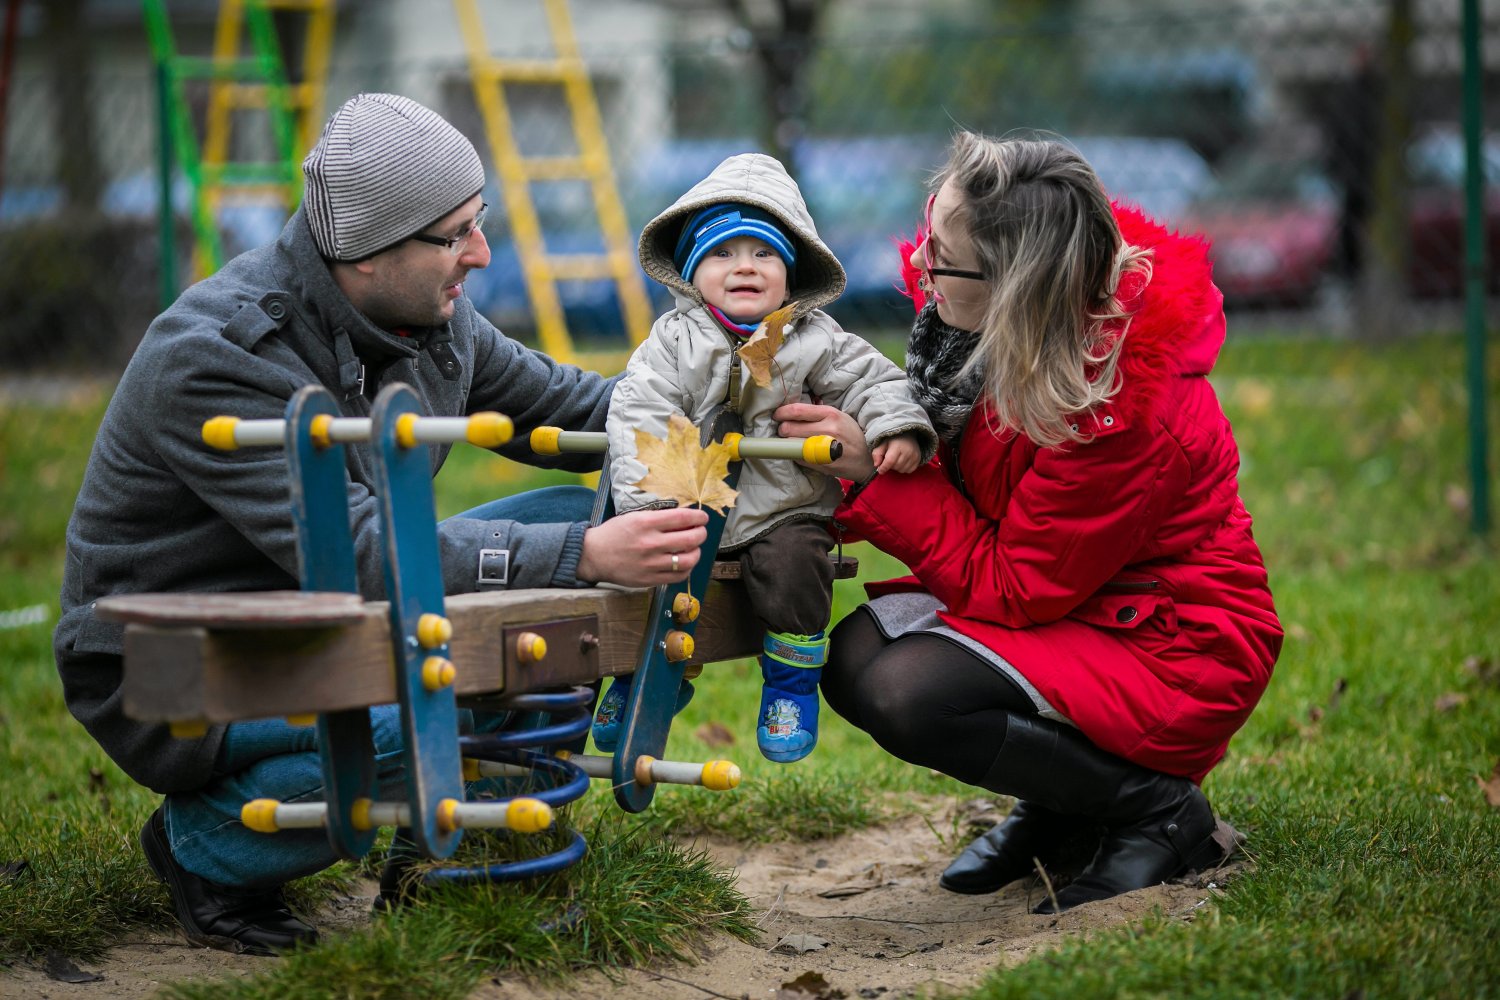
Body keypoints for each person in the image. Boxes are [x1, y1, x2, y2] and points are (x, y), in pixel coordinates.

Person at [53, 93, 709, 956]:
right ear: (364, 252)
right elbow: (364, 552)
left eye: (481, 223)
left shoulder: (426, 312)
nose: (480, 253)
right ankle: (205, 848)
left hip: (336, 613)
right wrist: (583, 553)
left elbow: (575, 410)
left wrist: (727, 421)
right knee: (469, 676)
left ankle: (446, 858)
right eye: (454, 235)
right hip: (192, 656)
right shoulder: (218, 358)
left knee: (565, 521)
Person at [774, 132, 1282, 913]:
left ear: (1017, 283)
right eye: (928, 231)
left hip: (1175, 642)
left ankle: (1156, 812)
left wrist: (875, 472)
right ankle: (1062, 799)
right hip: (1085, 602)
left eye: (940, 256)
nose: (917, 266)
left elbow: (1016, 586)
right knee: (853, 658)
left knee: (910, 693)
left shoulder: (1120, 404)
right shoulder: (980, 330)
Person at [594, 153, 936, 763]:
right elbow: (640, 412)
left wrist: (896, 426)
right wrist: (654, 502)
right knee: (650, 572)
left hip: (781, 506)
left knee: (798, 564)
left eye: (764, 254)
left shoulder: (816, 340)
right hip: (691, 502)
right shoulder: (671, 344)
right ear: (691, 272)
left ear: (793, 272)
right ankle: (639, 680)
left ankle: (790, 684)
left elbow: (876, 382)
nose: (744, 266)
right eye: (722, 253)